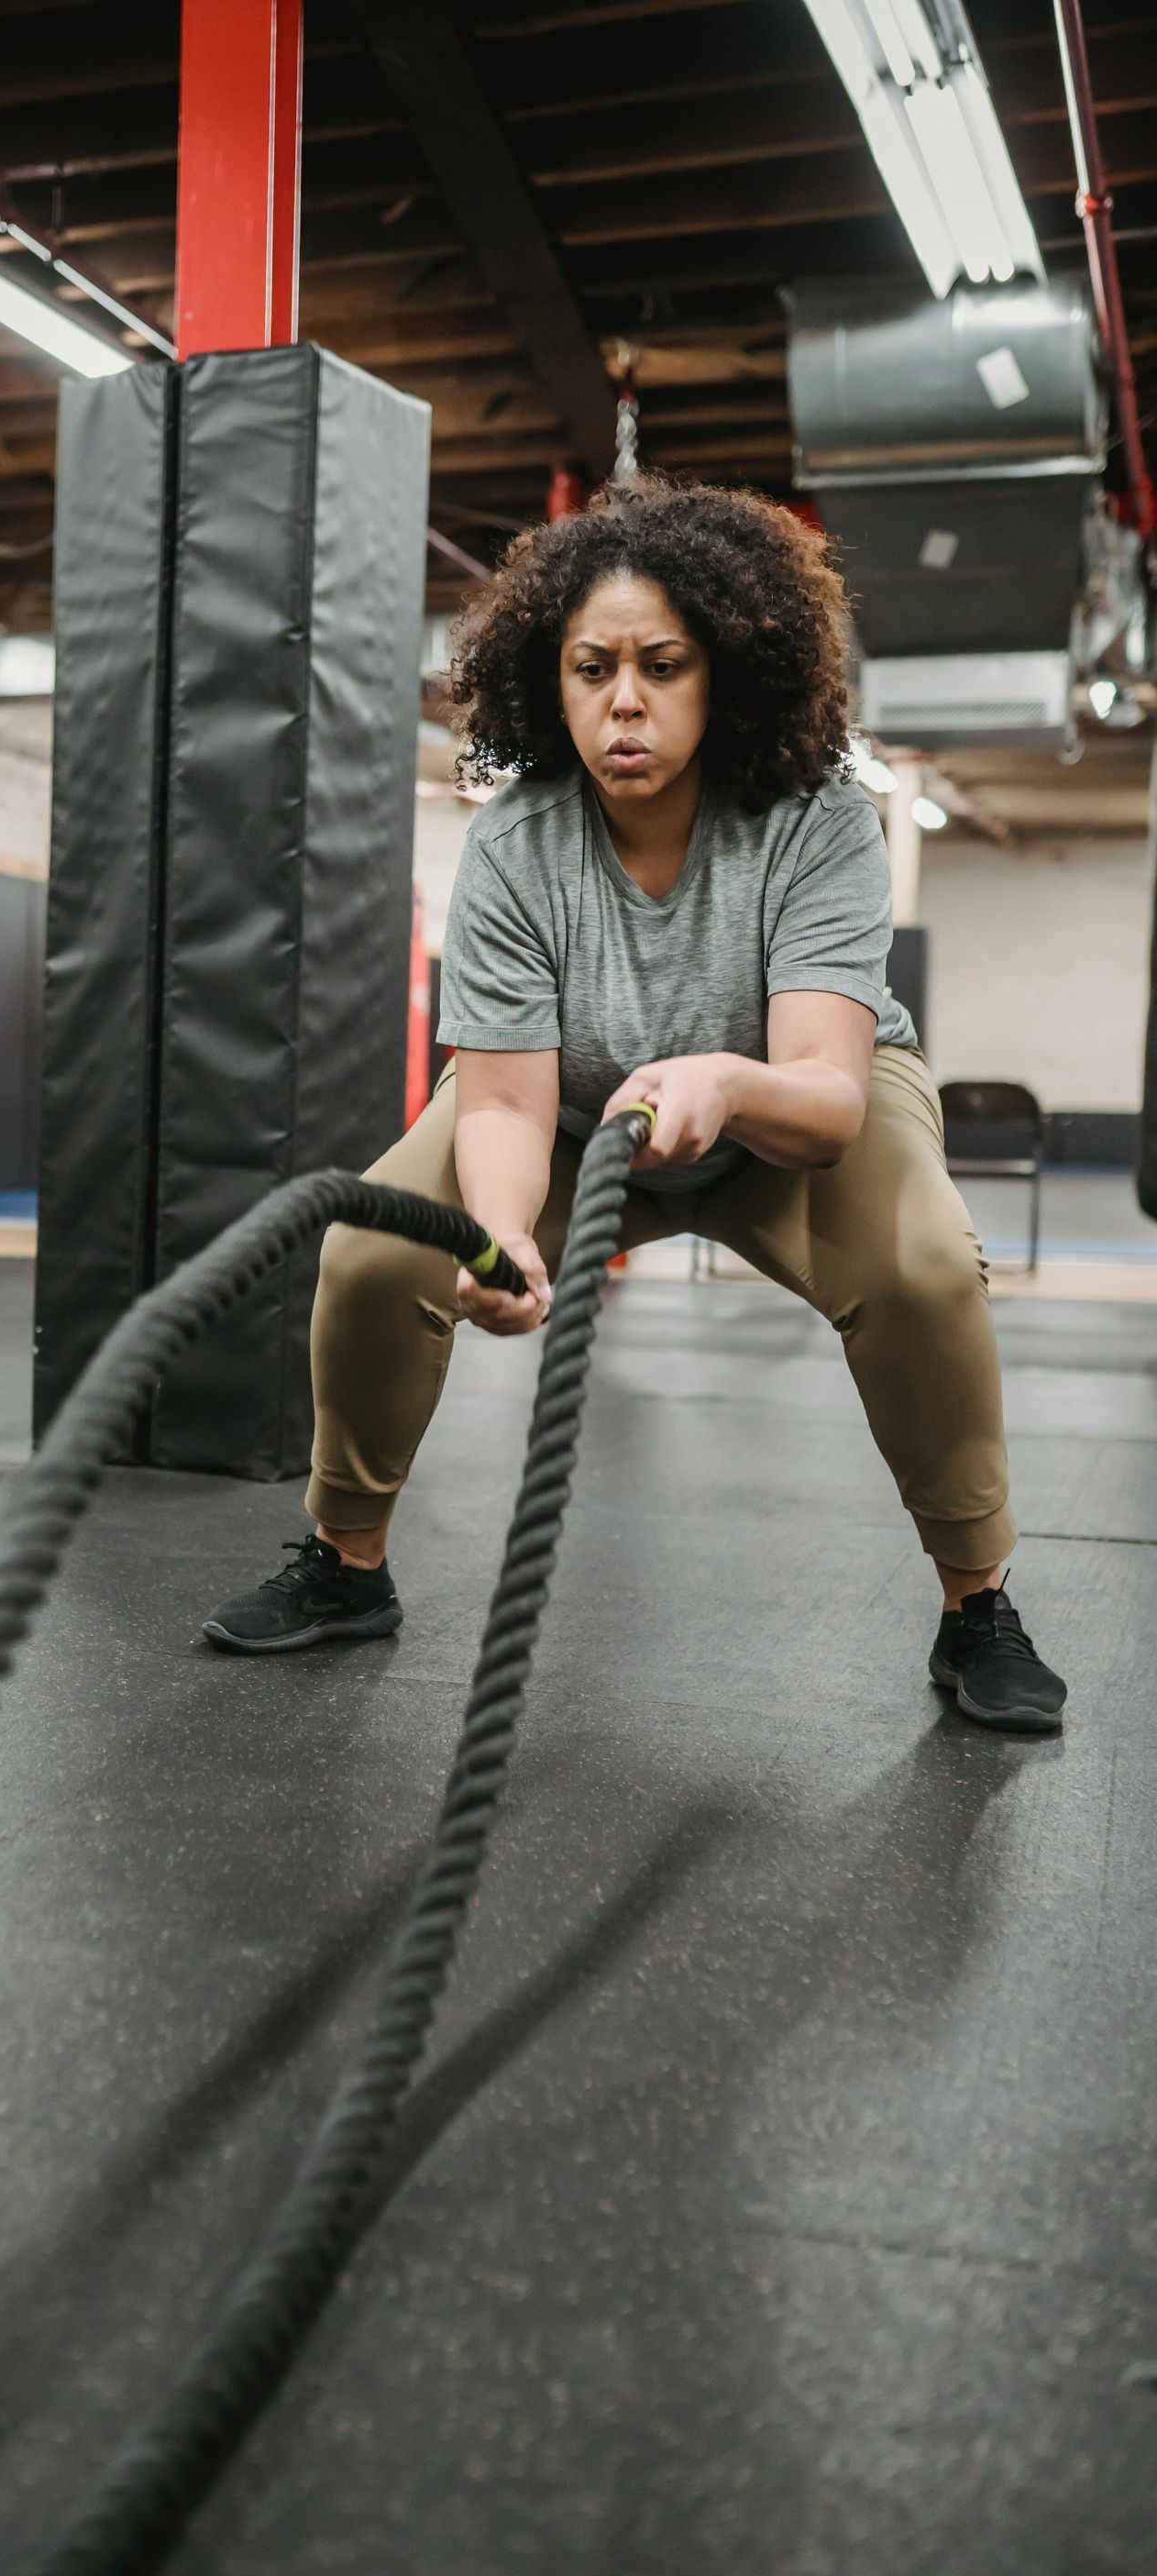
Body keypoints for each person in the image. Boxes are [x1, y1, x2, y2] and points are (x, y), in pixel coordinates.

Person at [206, 478, 1065, 1732]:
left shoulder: (818, 818)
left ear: (722, 672)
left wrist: (722, 1080)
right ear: (546, 683)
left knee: (928, 1267)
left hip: (783, 1112)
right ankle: (345, 1568)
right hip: (568, 1116)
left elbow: (827, 1100)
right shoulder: (515, 847)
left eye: (663, 665)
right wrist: (500, 1239)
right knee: (378, 1241)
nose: (624, 698)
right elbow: (499, 1100)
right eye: (590, 666)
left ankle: (977, 1606)